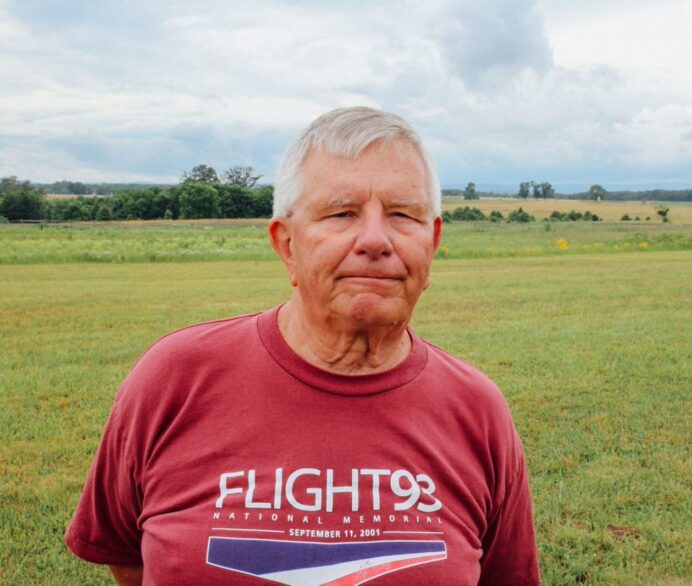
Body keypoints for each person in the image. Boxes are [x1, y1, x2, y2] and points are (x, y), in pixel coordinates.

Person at [66, 107, 540, 585]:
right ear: (287, 244)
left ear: (432, 242)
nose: (375, 240)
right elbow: (126, 556)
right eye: (342, 213)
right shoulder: (174, 378)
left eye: (403, 214)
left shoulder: (477, 411)